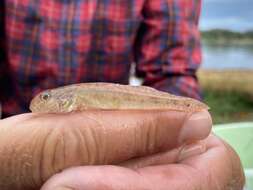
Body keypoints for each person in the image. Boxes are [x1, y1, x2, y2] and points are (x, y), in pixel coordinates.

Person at [0, 0, 245, 189]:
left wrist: (182, 145)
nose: (43, 101)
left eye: (46, 99)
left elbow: (172, 71)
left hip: (126, 150)